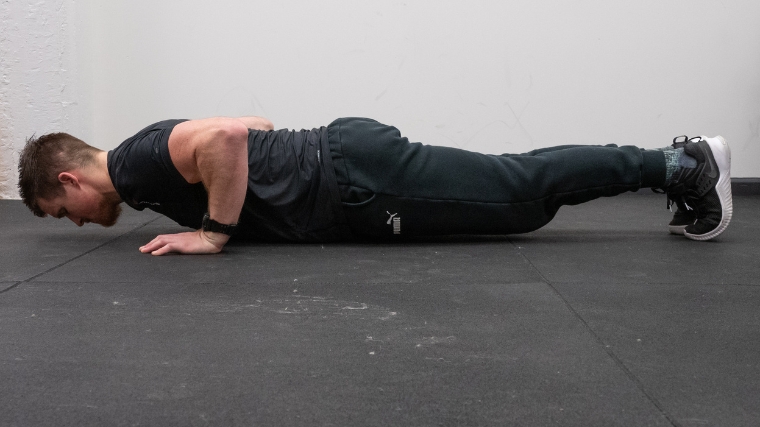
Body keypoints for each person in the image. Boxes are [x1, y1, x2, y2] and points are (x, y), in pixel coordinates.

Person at [17, 116, 733, 255]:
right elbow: (252, 123)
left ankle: (682, 165)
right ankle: (671, 164)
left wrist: (215, 232)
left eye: (63, 210)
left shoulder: (137, 165)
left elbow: (228, 139)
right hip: (346, 163)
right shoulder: (145, 153)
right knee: (517, 180)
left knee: (520, 192)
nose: (75, 222)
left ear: (70, 178)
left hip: (356, 181)